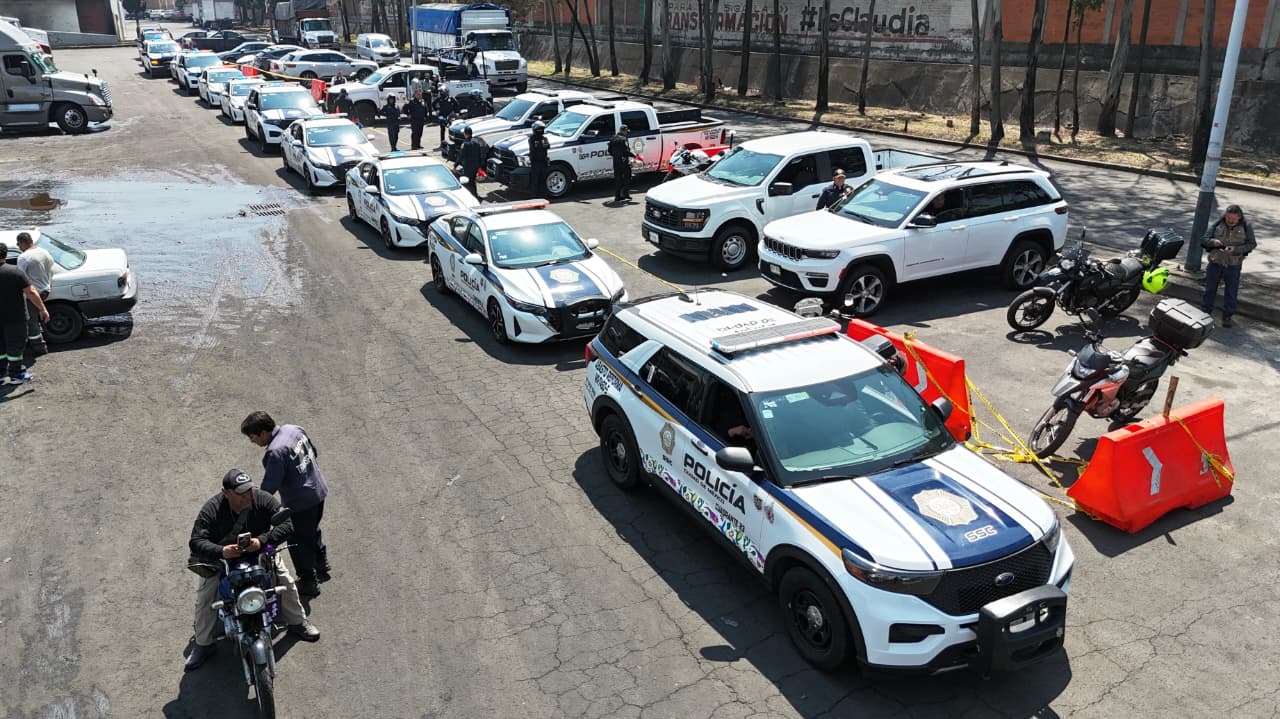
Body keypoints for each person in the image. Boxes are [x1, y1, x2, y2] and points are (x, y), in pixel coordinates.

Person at [185, 469, 319, 671]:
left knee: (286, 581)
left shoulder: (262, 499)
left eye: (249, 490)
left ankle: (297, 622)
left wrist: (261, 541)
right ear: (226, 493)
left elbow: (287, 524)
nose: (248, 496)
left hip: (259, 551)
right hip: (224, 559)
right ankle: (203, 644)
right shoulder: (211, 509)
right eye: (241, 493)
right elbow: (196, 541)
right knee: (205, 598)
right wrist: (222, 551)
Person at [241, 411, 330, 598]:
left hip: (300, 503)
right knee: (312, 529)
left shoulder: (275, 452)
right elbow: (314, 452)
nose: (252, 441)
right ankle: (321, 563)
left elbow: (269, 485)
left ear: (263, 433)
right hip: (318, 490)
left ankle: (308, 581)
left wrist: (256, 506)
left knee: (298, 541)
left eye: (252, 437)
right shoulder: (294, 429)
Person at [1199, 204, 1257, 328]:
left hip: (1233, 265)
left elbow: (1252, 244)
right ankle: (1205, 312)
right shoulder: (1217, 223)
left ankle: (1227, 316)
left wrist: (1236, 249)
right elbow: (1204, 239)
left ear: (1239, 218)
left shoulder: (1246, 226)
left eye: (1233, 219)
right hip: (1216, 262)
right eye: (1228, 218)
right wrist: (1213, 242)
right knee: (1209, 289)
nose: (1230, 221)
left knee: (1231, 292)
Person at [0, 241, 49, 386]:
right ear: (6, 254)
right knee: (15, 346)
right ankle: (15, 375)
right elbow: (31, 292)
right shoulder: (15, 272)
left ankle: (0, 374)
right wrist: (42, 309)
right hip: (16, 317)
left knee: (0, 347)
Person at [15, 232, 52, 357]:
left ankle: (39, 348)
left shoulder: (24, 257)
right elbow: (50, 266)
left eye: (18, 243)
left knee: (32, 322)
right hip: (46, 290)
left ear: (23, 242)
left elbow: (19, 277)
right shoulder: (44, 251)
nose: (17, 246)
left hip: (33, 294)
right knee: (37, 317)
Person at [607, 125, 635, 203]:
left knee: (618, 179)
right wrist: (634, 156)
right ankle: (625, 193)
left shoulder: (612, 138)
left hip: (616, 161)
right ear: (623, 131)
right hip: (623, 161)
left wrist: (616, 156)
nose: (627, 133)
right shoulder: (623, 139)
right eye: (626, 132)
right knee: (627, 177)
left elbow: (609, 151)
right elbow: (625, 151)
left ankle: (617, 196)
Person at [458, 127, 484, 198]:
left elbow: (461, 155)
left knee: (467, 182)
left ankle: (470, 196)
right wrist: (479, 166)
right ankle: (475, 194)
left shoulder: (465, 143)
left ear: (465, 134)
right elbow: (479, 155)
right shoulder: (476, 142)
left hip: (468, 166)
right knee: (472, 181)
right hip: (475, 166)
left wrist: (455, 165)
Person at [528, 121, 550, 198]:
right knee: (535, 182)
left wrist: (542, 144)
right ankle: (534, 198)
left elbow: (547, 146)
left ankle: (543, 198)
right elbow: (533, 149)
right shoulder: (532, 139)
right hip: (535, 163)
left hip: (543, 163)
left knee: (543, 181)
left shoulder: (544, 139)